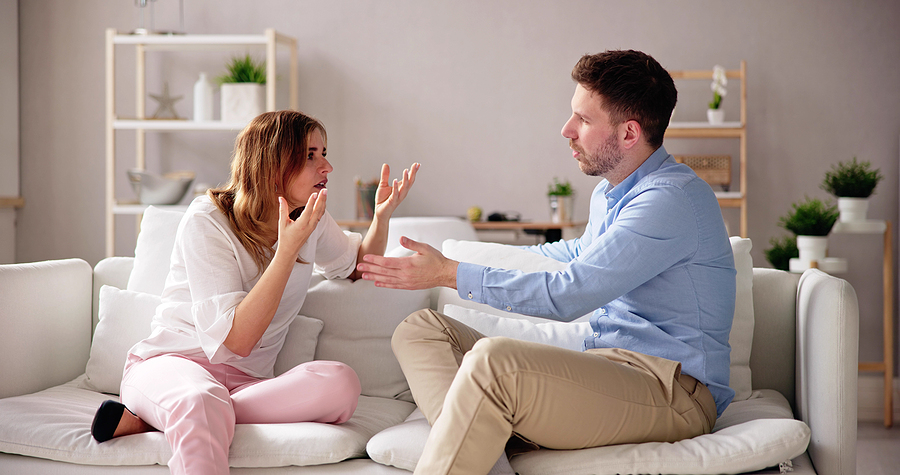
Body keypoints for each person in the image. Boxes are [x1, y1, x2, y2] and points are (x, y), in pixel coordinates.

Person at [356, 50, 736, 475]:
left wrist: (448, 274)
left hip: (673, 394)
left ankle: (483, 433)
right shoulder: (611, 193)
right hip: (610, 371)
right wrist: (452, 257)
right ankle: (488, 449)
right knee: (421, 330)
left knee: (493, 362)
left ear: (630, 133)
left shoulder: (669, 199)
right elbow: (570, 254)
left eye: (584, 120)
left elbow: (570, 292)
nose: (566, 130)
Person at [90, 110, 420, 475]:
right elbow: (237, 341)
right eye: (311, 155)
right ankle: (186, 412)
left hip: (248, 386)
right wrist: (287, 251)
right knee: (201, 398)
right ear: (272, 162)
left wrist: (382, 217)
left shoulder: (309, 217)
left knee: (341, 383)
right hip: (173, 366)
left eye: (324, 153)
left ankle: (158, 419)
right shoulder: (208, 219)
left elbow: (355, 266)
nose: (326, 167)